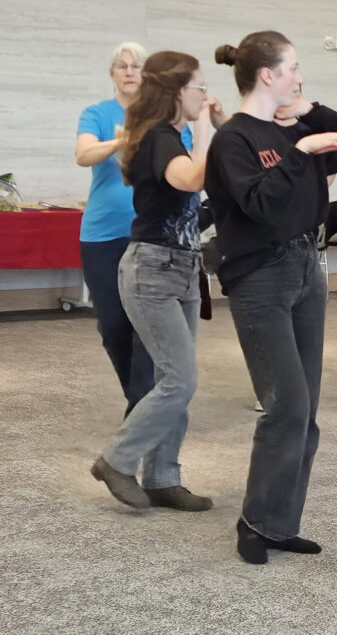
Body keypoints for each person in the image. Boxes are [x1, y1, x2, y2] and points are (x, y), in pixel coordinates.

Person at [205, 31, 337, 565]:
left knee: (305, 407)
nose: (300, 78)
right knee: (285, 404)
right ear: (268, 75)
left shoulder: (296, 126)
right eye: (293, 69)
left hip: (308, 267)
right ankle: (255, 521)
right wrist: (303, 151)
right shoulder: (234, 140)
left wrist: (310, 114)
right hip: (259, 275)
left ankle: (279, 523)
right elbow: (261, 203)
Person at [90, 51, 215, 512]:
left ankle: (162, 477)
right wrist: (206, 126)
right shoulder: (160, 137)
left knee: (172, 377)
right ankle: (116, 459)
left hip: (180, 268)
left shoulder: (170, 136)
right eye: (200, 87)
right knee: (180, 379)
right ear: (178, 92)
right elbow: (192, 179)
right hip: (152, 271)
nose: (205, 95)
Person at [75, 43, 170, 415]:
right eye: (121, 65)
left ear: (148, 74)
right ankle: (140, 399)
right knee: (113, 324)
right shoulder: (97, 113)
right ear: (112, 73)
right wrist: (124, 139)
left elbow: (185, 164)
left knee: (146, 324)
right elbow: (83, 154)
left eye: (136, 65)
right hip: (102, 234)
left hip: (151, 234)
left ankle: (141, 408)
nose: (129, 71)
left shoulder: (163, 116)